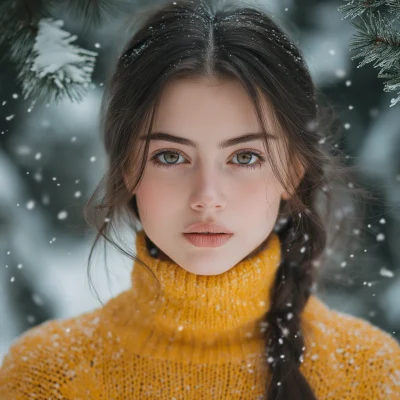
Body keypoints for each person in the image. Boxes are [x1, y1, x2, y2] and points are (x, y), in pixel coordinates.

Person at [1, 0, 399, 398]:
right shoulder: (42, 377)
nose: (207, 197)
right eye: (171, 156)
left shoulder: (374, 376)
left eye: (245, 157)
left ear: (292, 172)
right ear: (125, 167)